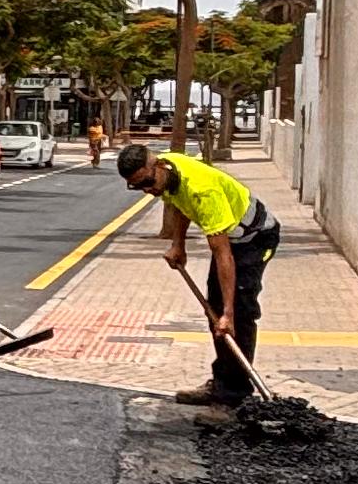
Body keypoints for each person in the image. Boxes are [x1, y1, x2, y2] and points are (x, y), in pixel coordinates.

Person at [118, 141, 283, 406]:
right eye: (138, 187)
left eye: (148, 182)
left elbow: (223, 254)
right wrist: (178, 244)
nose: (148, 190)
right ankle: (222, 384)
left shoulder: (204, 192)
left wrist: (228, 313)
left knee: (237, 313)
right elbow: (180, 203)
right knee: (214, 311)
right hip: (234, 242)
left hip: (255, 238)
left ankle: (234, 396)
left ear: (158, 166)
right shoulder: (169, 173)